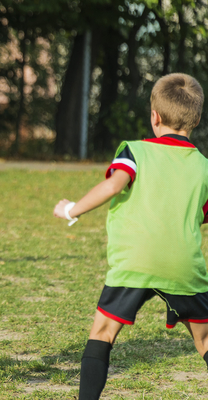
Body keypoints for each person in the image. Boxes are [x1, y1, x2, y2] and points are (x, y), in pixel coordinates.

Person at [53, 73, 208, 400]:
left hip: (135, 262)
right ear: (195, 119)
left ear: (155, 116)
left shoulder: (135, 151)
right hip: (183, 265)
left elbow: (112, 186)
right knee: (205, 340)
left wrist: (72, 210)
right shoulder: (203, 167)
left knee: (103, 332)